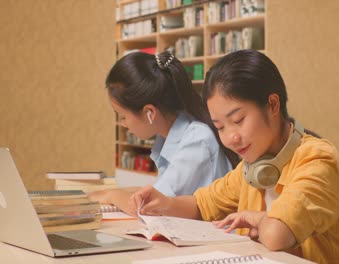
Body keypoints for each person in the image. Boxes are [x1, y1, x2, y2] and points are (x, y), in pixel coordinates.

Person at [128, 49, 339, 263]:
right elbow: (202, 204)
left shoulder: (317, 160)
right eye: (220, 127)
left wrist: (257, 218)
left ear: (273, 105)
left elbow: (277, 235)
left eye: (238, 120)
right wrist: (165, 203)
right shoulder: (253, 166)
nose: (231, 137)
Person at [89, 51, 238, 216]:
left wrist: (111, 195)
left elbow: (151, 205)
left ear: (149, 112)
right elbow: (158, 190)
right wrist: (104, 194)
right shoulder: (171, 135)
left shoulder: (197, 140)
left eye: (123, 117)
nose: (123, 124)